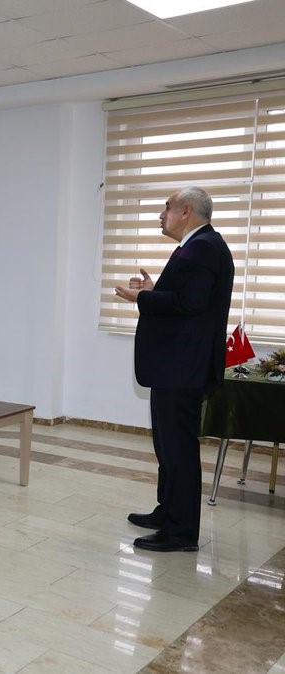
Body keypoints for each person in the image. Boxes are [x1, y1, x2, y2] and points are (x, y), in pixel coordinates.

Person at [114, 187, 233, 553]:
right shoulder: (198, 246)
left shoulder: (203, 248)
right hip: (175, 366)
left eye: (166, 208)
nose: (160, 215)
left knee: (178, 448)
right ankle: (168, 511)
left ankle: (181, 532)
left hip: (183, 368)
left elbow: (189, 303)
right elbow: (185, 300)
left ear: (186, 211)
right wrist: (154, 290)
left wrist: (142, 298)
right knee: (167, 445)